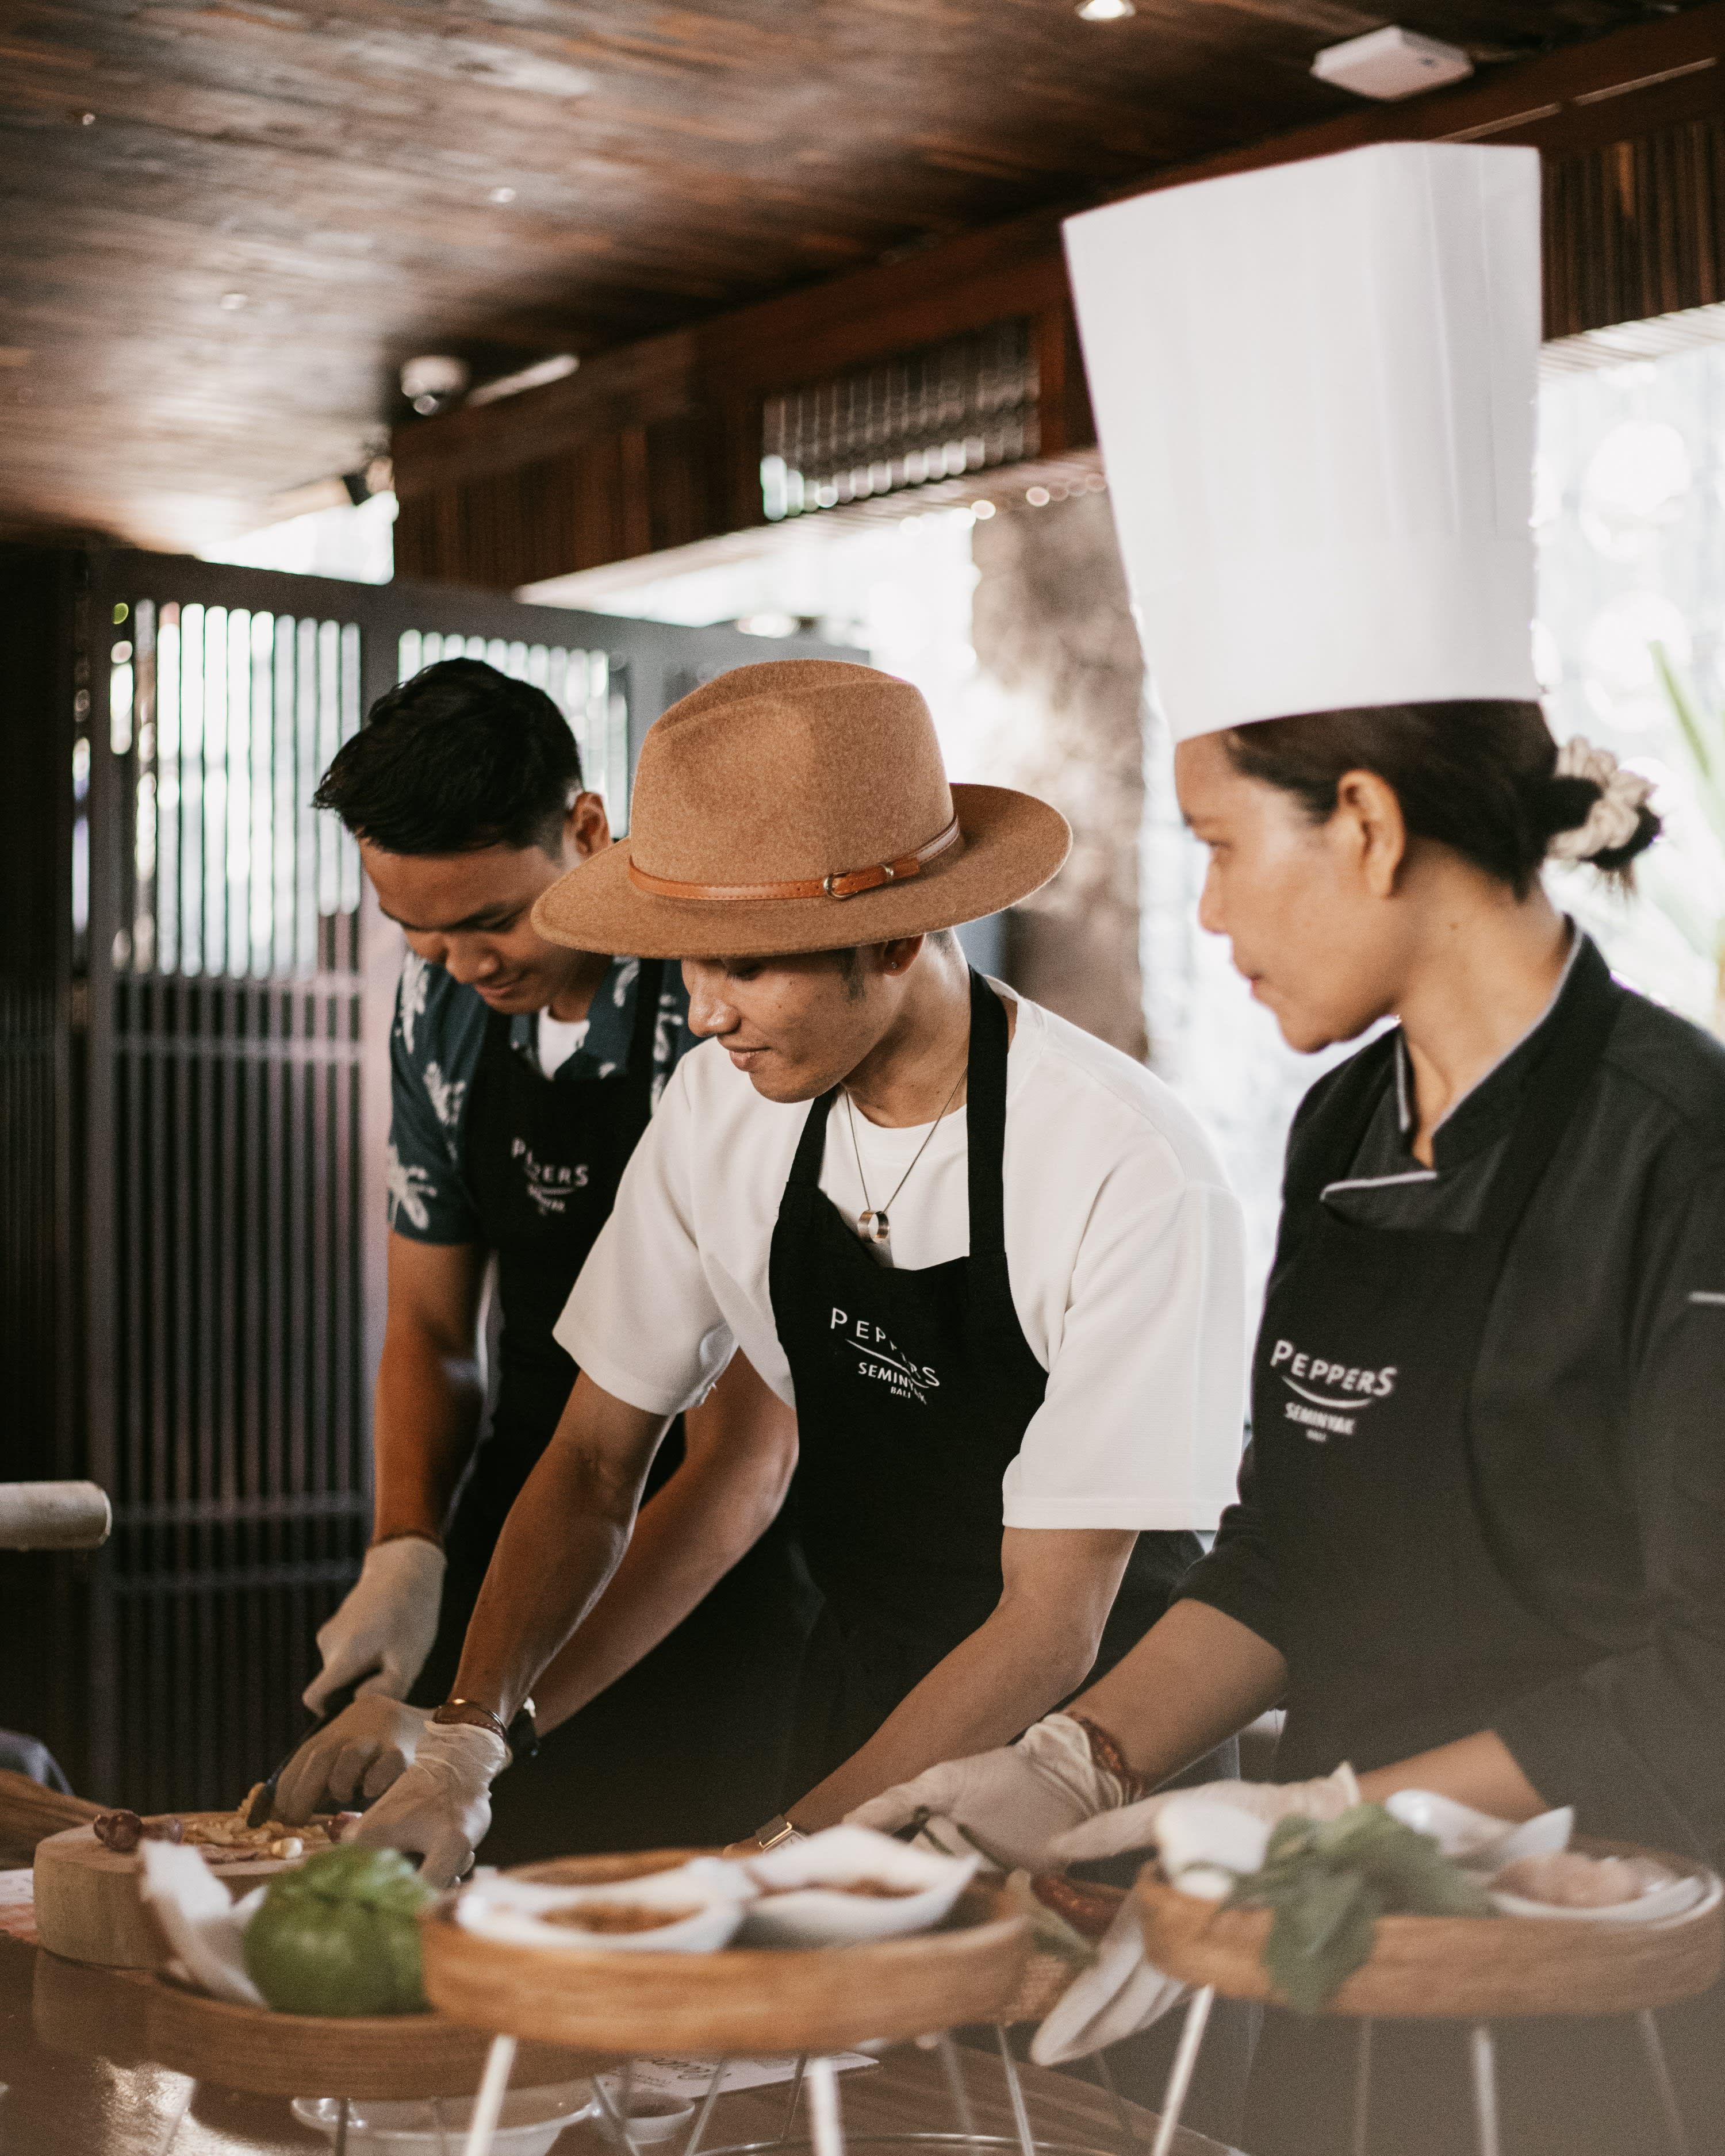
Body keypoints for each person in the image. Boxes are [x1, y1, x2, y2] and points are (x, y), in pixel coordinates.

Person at [855, 142, 1725, 2154]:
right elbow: (1304, 1551)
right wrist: (1076, 1761)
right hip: (1328, 1960)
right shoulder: (1346, 1114)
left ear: (1366, 818)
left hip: (1604, 1988)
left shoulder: (1684, 1154)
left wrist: (1326, 1816)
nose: (1218, 922)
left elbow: (1706, 1686)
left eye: (1225, 855)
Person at [347, 655, 1249, 1890]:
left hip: (1079, 1769)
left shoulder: (1122, 1163)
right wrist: (466, 1742)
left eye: (748, 965)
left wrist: (777, 1865)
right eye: (688, 965)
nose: (705, 1015)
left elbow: (1053, 1621)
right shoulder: (725, 1116)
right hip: (864, 1703)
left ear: (894, 936)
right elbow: (597, 1455)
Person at [275, 658, 814, 1860]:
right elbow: (426, 1328)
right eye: (417, 931)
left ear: (586, 830)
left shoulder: (714, 1020)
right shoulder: (442, 1017)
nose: (462, 963)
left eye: (490, 920)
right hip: (538, 1489)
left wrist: (488, 1722)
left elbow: (743, 1460)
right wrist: (408, 1550)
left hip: (709, 1543)